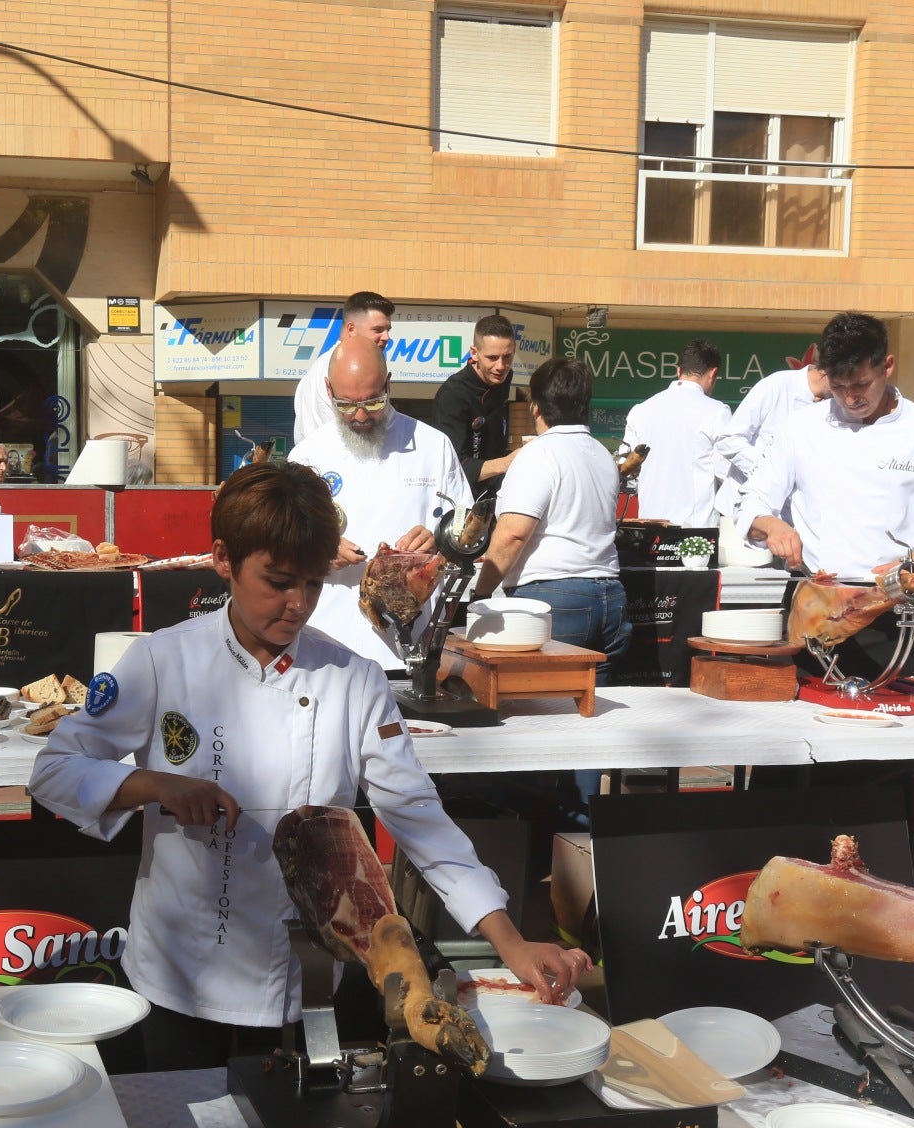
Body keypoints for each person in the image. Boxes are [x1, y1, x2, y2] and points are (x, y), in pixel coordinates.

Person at [29, 462, 589, 1069]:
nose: (298, 605)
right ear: (223, 560)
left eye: (314, 584)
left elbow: (417, 815)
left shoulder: (353, 679)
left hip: (307, 979)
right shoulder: (161, 661)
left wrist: (508, 941)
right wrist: (149, 783)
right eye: (277, 581)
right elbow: (55, 770)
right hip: (179, 973)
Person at [735, 311, 914, 579]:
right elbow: (752, 499)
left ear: (888, 366)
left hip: (898, 592)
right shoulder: (800, 426)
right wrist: (771, 525)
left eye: (861, 384)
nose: (850, 398)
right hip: (815, 592)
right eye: (838, 386)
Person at [287, 338, 471, 672]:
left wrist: (438, 539)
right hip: (326, 648)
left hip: (411, 649)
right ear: (328, 389)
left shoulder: (433, 447)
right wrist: (319, 549)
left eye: (373, 402)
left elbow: (469, 531)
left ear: (388, 384)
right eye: (344, 404)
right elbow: (283, 548)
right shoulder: (307, 456)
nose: (359, 416)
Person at [473, 357, 630, 673]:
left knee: (542, 706)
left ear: (535, 407)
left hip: (553, 595)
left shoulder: (538, 454)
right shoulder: (602, 454)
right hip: (610, 594)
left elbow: (513, 533)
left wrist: (480, 594)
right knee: (596, 711)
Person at [622, 340, 738, 526]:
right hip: (696, 535)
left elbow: (627, 472)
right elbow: (727, 473)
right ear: (714, 373)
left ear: (678, 371)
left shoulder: (640, 410)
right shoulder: (717, 412)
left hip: (650, 528)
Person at [716, 356, 829, 519]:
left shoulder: (837, 406)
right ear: (827, 370)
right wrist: (769, 471)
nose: (849, 391)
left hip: (796, 520)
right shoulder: (777, 385)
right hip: (742, 512)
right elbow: (729, 440)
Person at [431, 314, 521, 495]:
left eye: (507, 357)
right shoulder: (453, 395)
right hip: (463, 499)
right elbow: (453, 466)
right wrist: (506, 463)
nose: (501, 366)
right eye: (492, 357)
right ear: (474, 353)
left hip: (498, 492)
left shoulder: (504, 378)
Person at [292, 292, 393, 447]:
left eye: (388, 330)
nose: (387, 337)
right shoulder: (335, 368)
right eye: (378, 330)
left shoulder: (317, 368)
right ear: (351, 329)